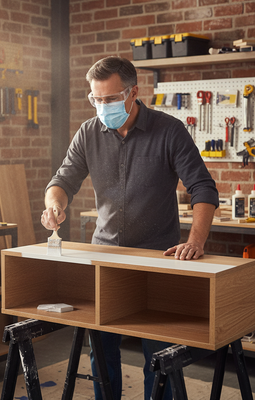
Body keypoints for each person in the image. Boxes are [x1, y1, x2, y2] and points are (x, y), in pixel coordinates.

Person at [41, 56, 219, 399]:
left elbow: (202, 187)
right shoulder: (88, 132)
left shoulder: (169, 130)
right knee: (101, 350)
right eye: (96, 99)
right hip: (105, 257)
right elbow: (62, 179)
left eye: (110, 99)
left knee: (160, 356)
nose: (102, 106)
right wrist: (54, 205)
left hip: (157, 259)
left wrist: (196, 240)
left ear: (133, 92)